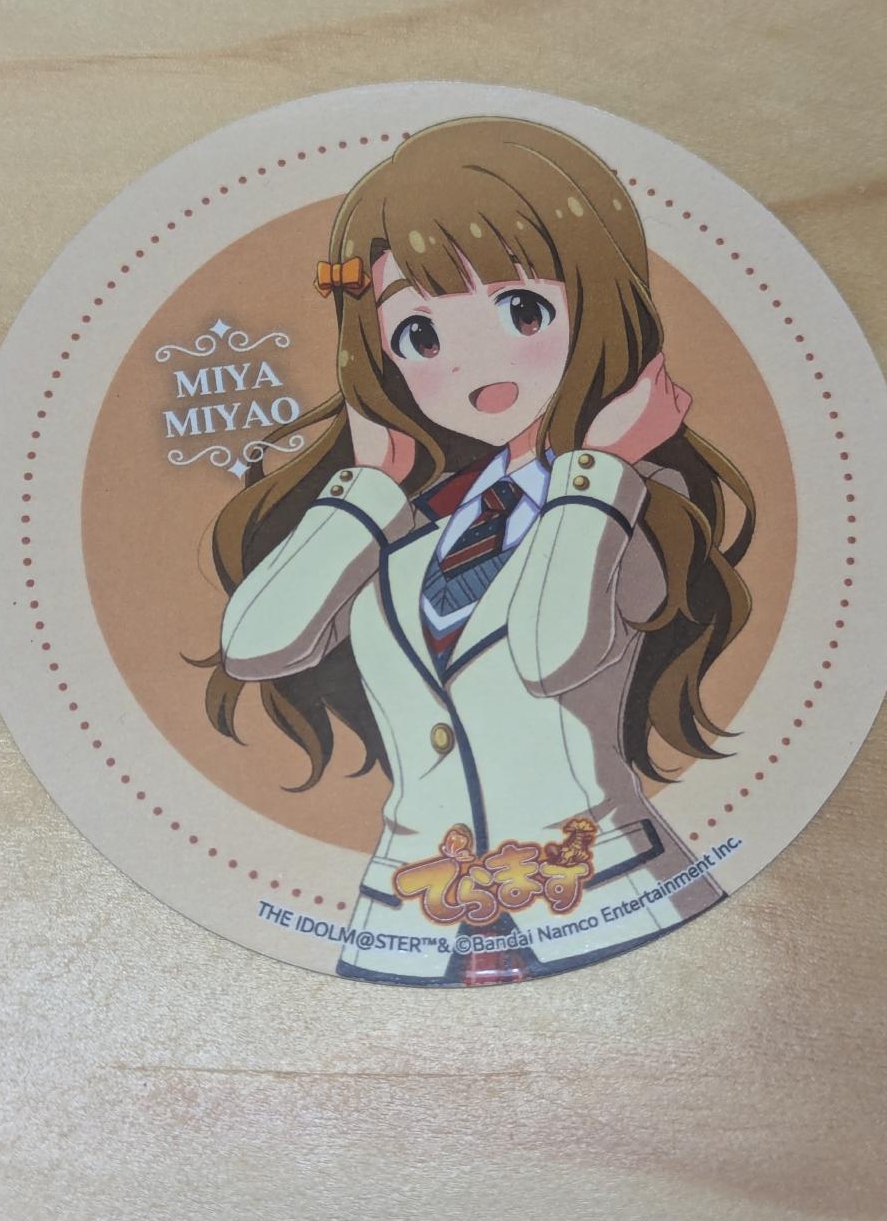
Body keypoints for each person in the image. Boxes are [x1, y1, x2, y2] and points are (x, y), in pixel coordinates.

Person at [204, 116, 754, 984]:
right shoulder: (405, 527)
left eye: (521, 310)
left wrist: (601, 468)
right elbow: (256, 643)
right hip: (409, 934)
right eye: (420, 335)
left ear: (599, 302)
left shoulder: (628, 507)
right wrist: (371, 486)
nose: (472, 363)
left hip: (602, 907)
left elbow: (549, 652)